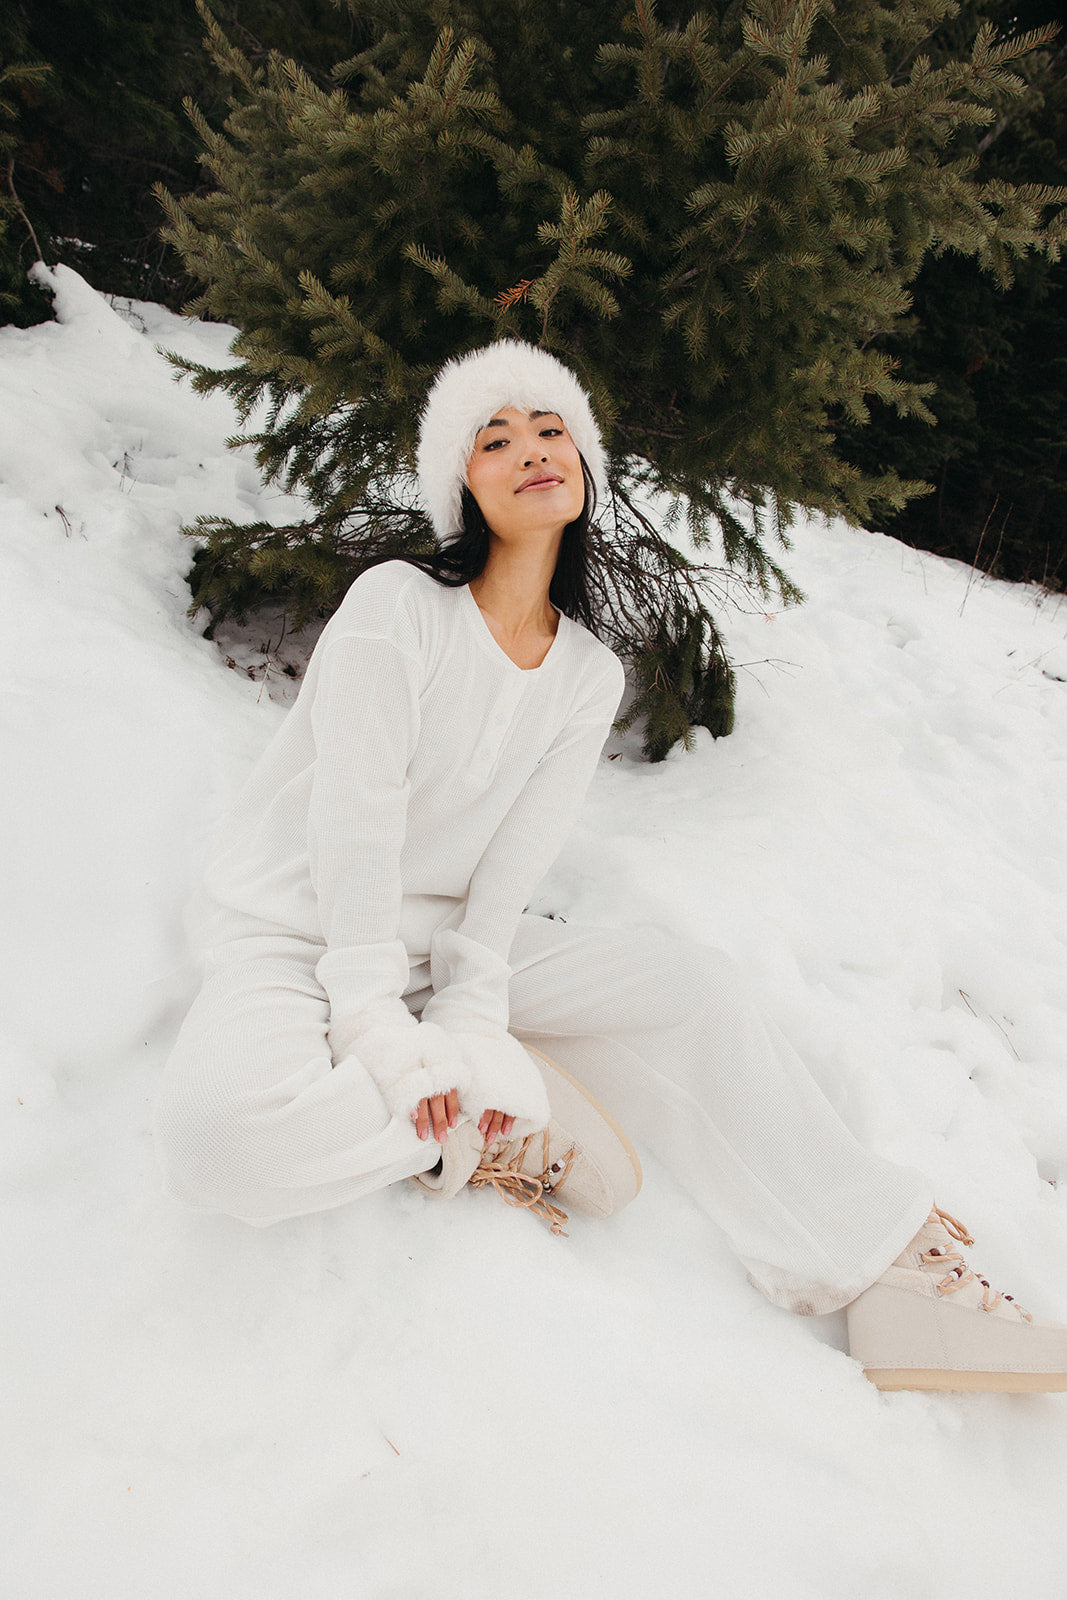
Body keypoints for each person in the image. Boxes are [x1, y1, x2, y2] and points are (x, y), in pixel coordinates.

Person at [154, 339, 1067, 1394]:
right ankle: (481, 1125)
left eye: (551, 431)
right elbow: (354, 823)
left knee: (690, 989)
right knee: (219, 1142)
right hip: (298, 929)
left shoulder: (585, 672)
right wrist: (377, 1029)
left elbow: (505, 877)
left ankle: (889, 1271)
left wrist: (468, 1017)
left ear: (583, 468)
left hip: (435, 948)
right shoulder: (395, 606)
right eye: (495, 440)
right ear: (461, 486)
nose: (532, 450)